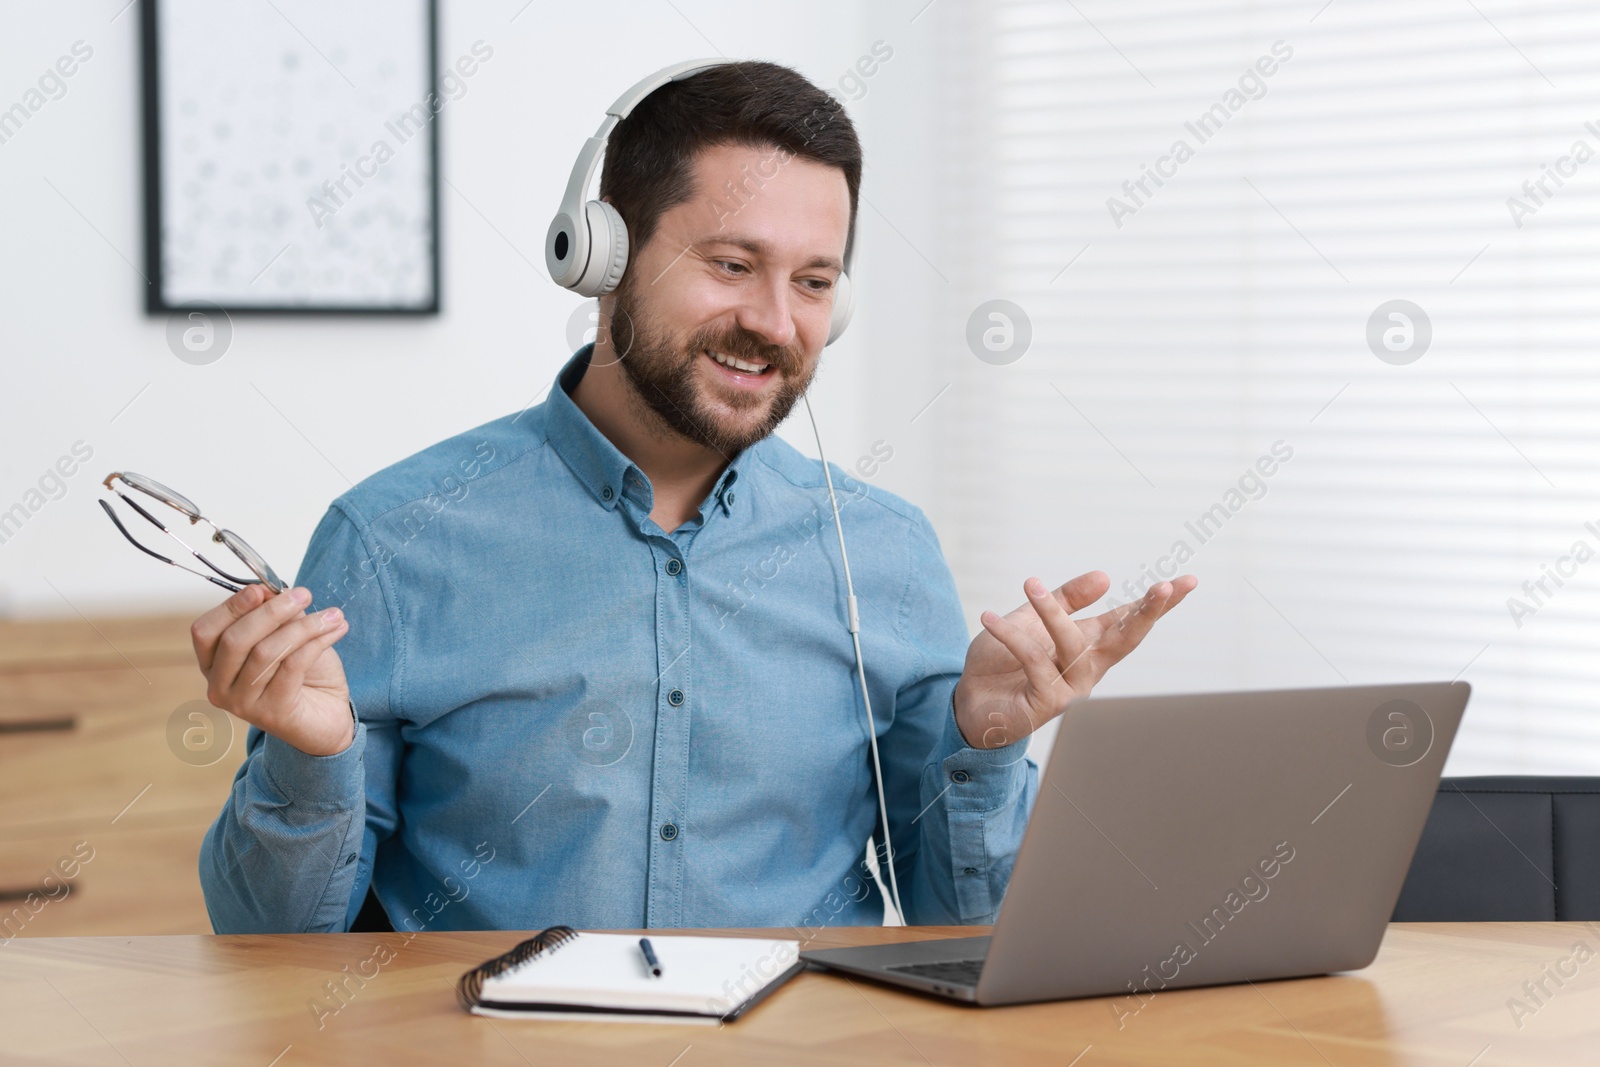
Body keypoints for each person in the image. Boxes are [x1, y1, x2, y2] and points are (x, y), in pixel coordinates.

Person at [193, 61, 1196, 936]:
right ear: (602, 253)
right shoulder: (393, 538)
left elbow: (956, 926)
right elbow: (265, 943)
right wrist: (307, 759)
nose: (772, 322)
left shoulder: (880, 552)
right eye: (730, 264)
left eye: (813, 281)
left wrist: (985, 741)